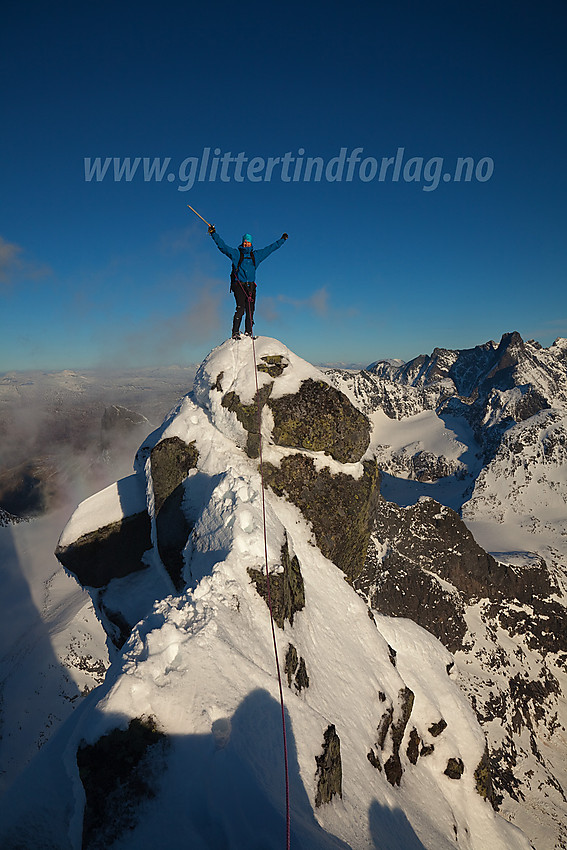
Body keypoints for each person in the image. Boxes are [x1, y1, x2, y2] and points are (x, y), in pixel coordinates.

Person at [208, 225, 288, 339]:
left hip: (251, 287)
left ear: (251, 244)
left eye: (248, 242)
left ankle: (248, 333)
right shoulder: (236, 254)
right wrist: (213, 233)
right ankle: (235, 332)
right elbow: (222, 247)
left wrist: (282, 240)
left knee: (250, 310)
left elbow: (270, 248)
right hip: (238, 285)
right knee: (240, 308)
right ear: (242, 243)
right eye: (245, 242)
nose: (246, 244)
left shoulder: (256, 255)